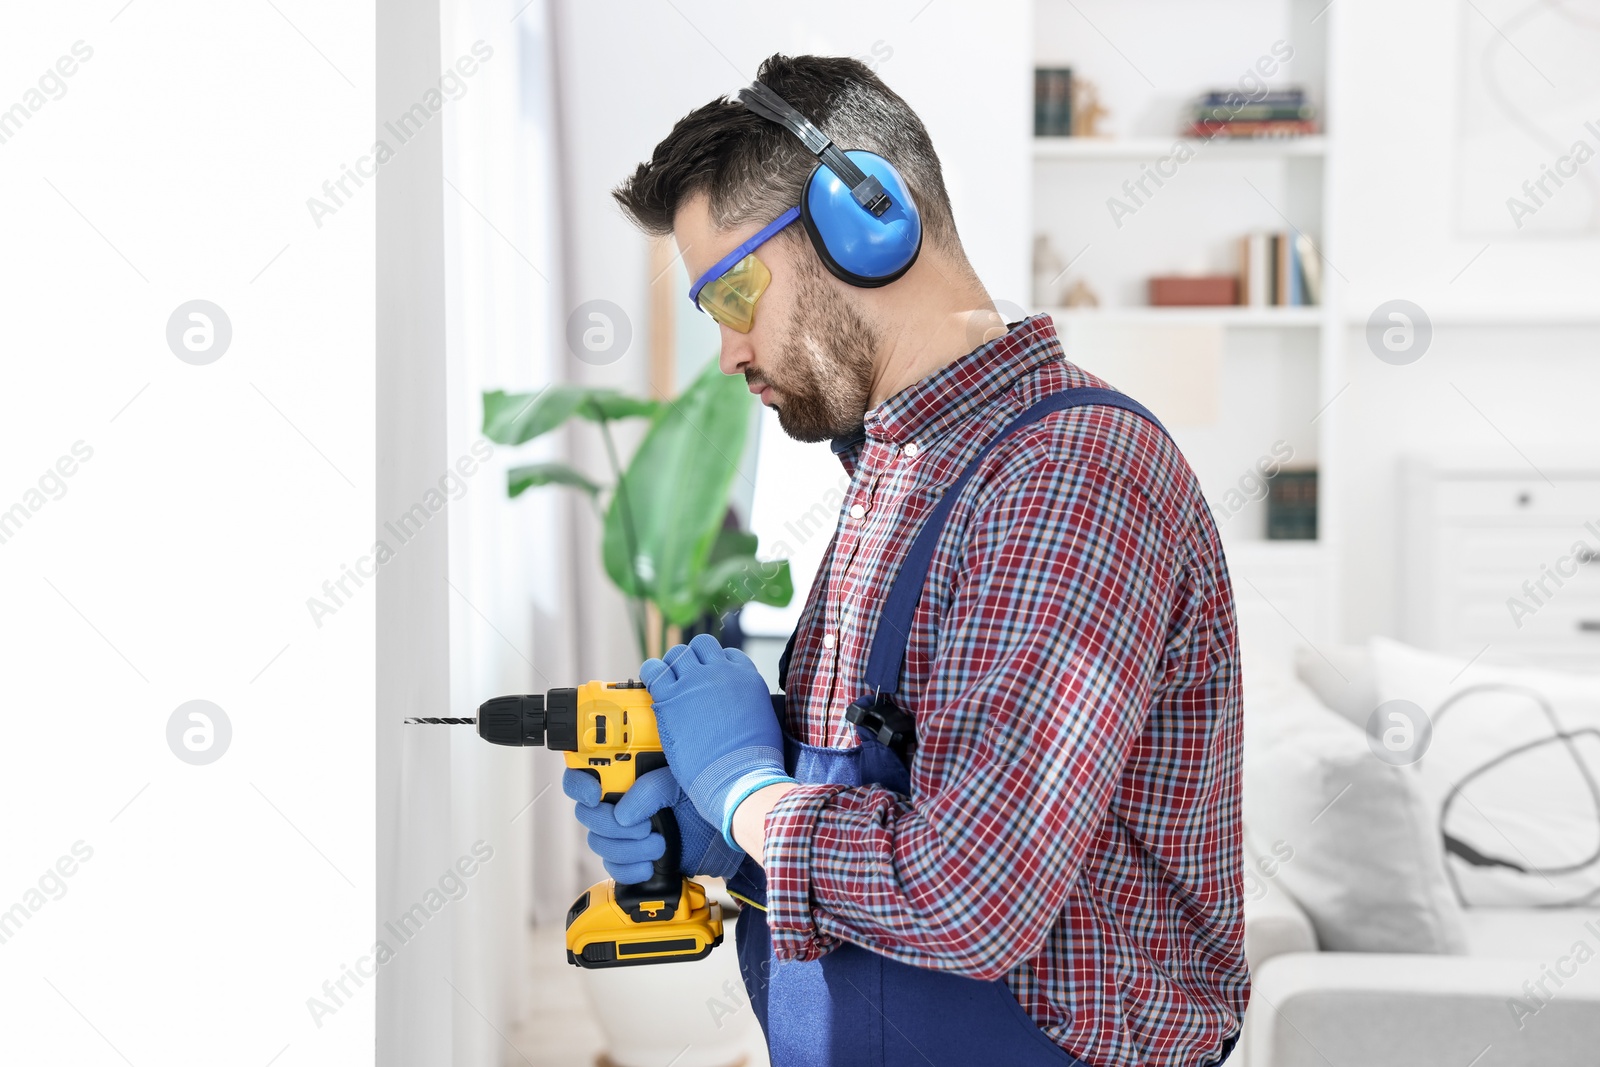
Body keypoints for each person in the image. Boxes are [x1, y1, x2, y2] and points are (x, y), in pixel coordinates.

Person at [561, 53, 1249, 1067]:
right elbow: (907, 792)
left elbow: (975, 895)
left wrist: (750, 795)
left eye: (734, 293)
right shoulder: (906, 471)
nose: (728, 352)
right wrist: (720, 829)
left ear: (865, 218)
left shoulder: (1067, 477)